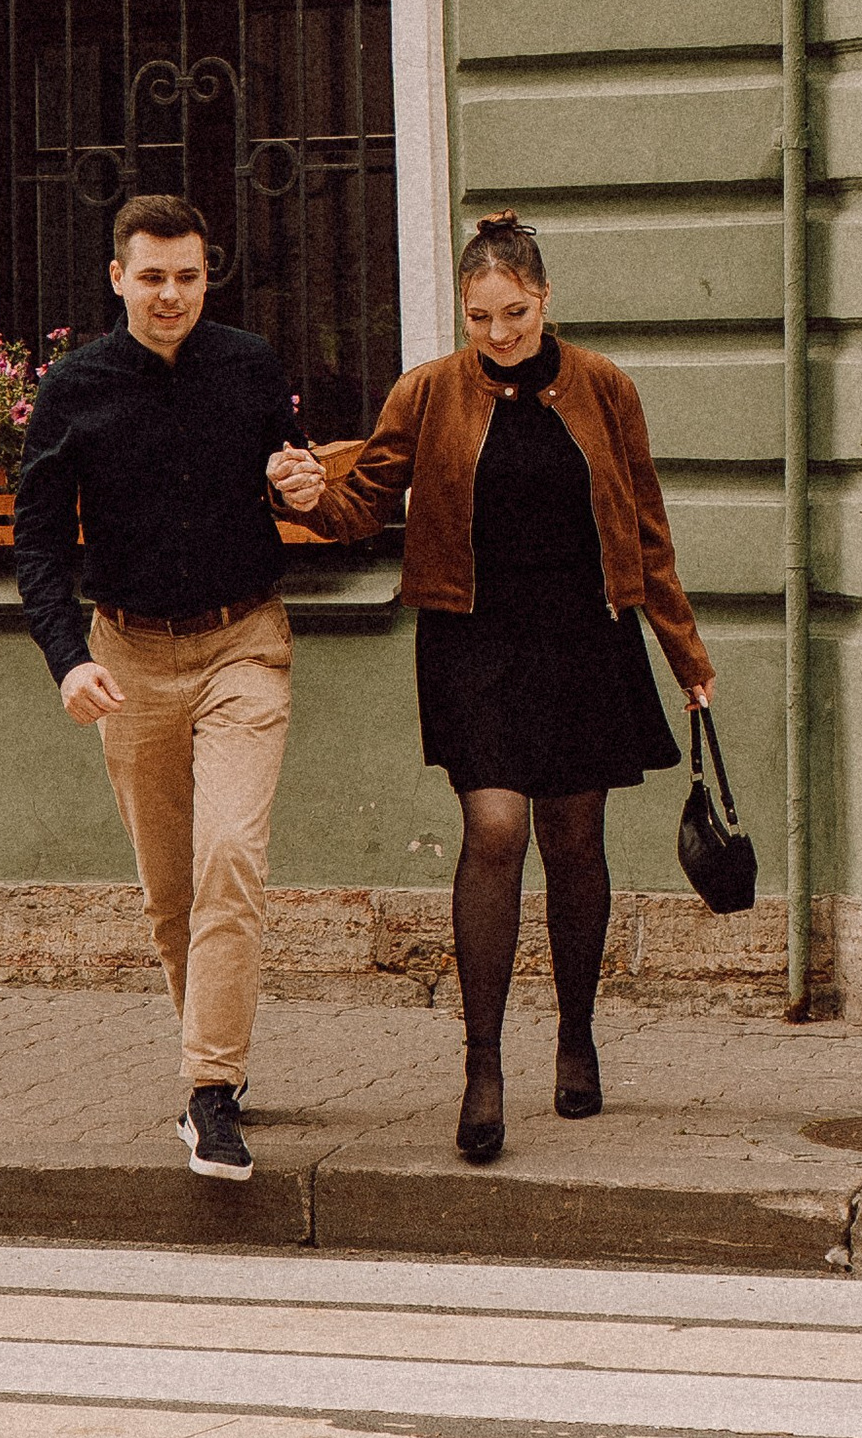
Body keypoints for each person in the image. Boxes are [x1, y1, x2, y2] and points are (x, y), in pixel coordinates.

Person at [269, 213, 713, 1165]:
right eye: (481, 318)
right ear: (463, 314)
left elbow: (646, 528)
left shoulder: (604, 389)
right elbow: (364, 502)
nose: (500, 334)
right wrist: (302, 497)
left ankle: (578, 1034)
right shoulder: (428, 393)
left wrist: (686, 655)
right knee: (497, 829)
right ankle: (482, 1067)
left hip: (583, 637)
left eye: (514, 313)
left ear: (544, 299)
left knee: (574, 836)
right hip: (472, 639)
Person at [11, 192, 299, 1185]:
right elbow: (39, 543)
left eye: (186, 276)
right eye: (151, 277)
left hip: (241, 646)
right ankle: (212, 1059)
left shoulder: (251, 367)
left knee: (228, 856)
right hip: (126, 658)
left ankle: (210, 1093)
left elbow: (279, 479)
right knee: (170, 891)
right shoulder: (76, 388)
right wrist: (68, 659)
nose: (169, 294)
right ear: (117, 279)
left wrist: (296, 487)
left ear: (205, 276)